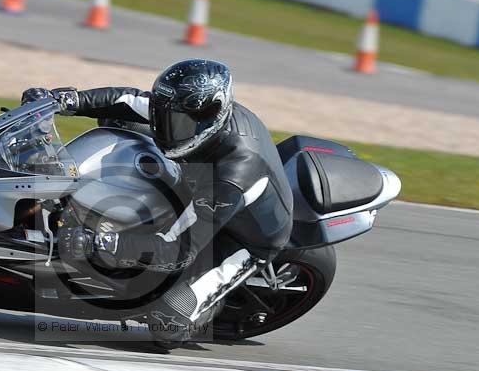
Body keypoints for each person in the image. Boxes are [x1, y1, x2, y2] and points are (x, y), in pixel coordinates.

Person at [21, 59, 293, 346]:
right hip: (197, 185)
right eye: (163, 115)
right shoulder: (187, 110)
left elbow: (177, 250)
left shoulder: (234, 174)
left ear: (210, 116)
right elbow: (126, 100)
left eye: (177, 123)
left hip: (240, 237)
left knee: (167, 323)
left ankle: (207, 305)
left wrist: (103, 243)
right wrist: (62, 100)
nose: (164, 128)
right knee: (119, 120)